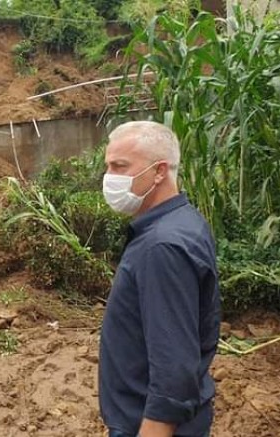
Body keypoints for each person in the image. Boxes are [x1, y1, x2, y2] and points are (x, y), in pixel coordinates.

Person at [98, 121, 220, 437]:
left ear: (159, 171)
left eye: (119, 166)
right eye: (108, 166)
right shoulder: (182, 221)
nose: (109, 177)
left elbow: (173, 366)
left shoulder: (161, 246)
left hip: (150, 425)